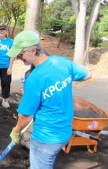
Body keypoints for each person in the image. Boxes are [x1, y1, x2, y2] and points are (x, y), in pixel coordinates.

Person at [7, 30, 92, 169]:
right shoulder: (61, 62)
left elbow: (26, 116)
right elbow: (88, 75)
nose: (18, 57)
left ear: (33, 50)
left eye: (20, 54)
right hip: (64, 133)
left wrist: (16, 131)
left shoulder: (34, 79)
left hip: (45, 138)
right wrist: (63, 82)